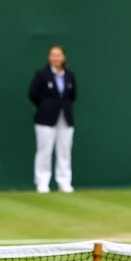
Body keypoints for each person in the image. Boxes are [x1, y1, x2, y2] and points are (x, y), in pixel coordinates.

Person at [28, 45, 77, 194]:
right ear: (49, 57)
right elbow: (33, 94)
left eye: (58, 55)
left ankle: (64, 181)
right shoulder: (42, 75)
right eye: (52, 55)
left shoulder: (69, 75)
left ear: (63, 58)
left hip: (65, 118)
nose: (55, 58)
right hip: (45, 118)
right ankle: (42, 182)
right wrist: (46, 106)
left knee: (64, 150)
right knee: (44, 150)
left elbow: (73, 95)